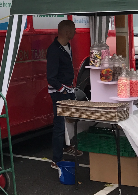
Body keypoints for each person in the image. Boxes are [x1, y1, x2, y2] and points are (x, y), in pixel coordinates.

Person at [47, 19, 82, 169]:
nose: (75, 32)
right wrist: (63, 90)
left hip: (68, 88)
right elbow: (51, 77)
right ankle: (56, 159)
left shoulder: (67, 46)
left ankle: (67, 146)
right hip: (59, 92)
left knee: (69, 122)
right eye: (73, 30)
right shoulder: (54, 50)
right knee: (60, 125)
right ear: (67, 32)